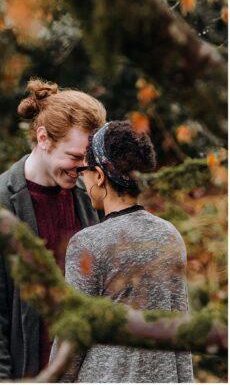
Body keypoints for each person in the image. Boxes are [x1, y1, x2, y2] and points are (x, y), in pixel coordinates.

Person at [0, 79, 106, 380]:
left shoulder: (87, 198)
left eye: (88, 159)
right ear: (43, 138)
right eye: (75, 157)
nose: (83, 168)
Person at [56, 121, 193, 382]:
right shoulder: (170, 236)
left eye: (84, 170)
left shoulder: (88, 243)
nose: (82, 180)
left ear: (98, 176)